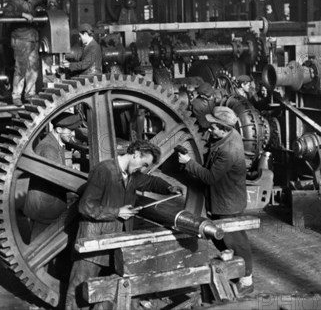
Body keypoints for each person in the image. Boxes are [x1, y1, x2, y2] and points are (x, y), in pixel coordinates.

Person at [65, 140, 183, 310]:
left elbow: (151, 181)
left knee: (105, 294)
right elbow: (86, 206)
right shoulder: (104, 170)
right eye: (143, 164)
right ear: (135, 153)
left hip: (116, 244)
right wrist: (116, 212)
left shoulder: (132, 175)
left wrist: (169, 187)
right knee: (79, 293)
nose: (142, 169)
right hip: (93, 244)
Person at [177, 106, 254, 296]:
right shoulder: (229, 134)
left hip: (228, 203)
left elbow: (210, 177)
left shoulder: (229, 150)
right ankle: (233, 270)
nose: (209, 130)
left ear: (224, 128)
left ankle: (246, 280)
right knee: (224, 240)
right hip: (223, 198)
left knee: (236, 241)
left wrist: (188, 162)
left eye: (213, 128)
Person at [23, 113, 81, 241]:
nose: (73, 134)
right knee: (39, 247)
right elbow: (57, 180)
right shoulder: (48, 148)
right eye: (70, 131)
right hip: (44, 208)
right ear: (59, 129)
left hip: (46, 205)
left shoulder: (55, 144)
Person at [3, 0, 44, 106]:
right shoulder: (14, 2)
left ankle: (30, 94)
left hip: (33, 38)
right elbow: (5, 14)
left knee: (34, 67)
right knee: (20, 68)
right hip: (21, 39)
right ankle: (16, 96)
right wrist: (23, 14)